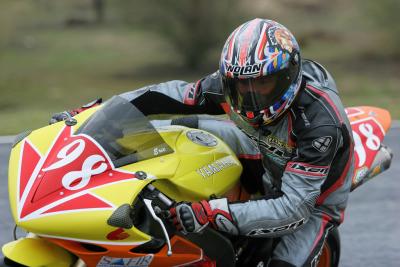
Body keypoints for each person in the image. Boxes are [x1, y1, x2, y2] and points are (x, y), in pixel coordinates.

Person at [51, 19, 354, 267]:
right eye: (241, 85)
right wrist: (99, 116)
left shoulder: (319, 124)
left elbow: (294, 207)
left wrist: (209, 212)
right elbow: (168, 95)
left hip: (313, 199)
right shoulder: (232, 82)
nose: (250, 95)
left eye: (262, 83)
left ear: (287, 76)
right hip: (260, 148)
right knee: (177, 127)